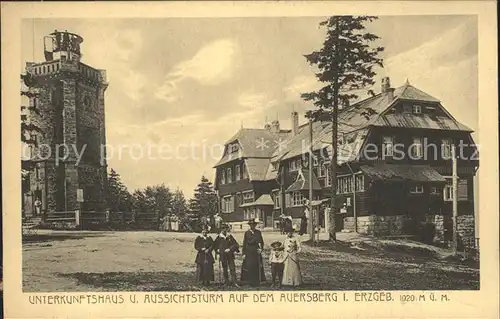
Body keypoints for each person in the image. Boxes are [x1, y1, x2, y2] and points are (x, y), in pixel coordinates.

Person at [241, 219, 266, 286]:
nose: (252, 226)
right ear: (249, 225)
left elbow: (261, 242)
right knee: (249, 266)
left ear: (255, 225)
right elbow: (244, 243)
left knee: (257, 266)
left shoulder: (258, 232)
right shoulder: (247, 233)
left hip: (256, 251)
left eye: (253, 225)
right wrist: (243, 253)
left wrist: (261, 249)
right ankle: (250, 282)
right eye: (251, 225)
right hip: (249, 251)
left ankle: (257, 281)